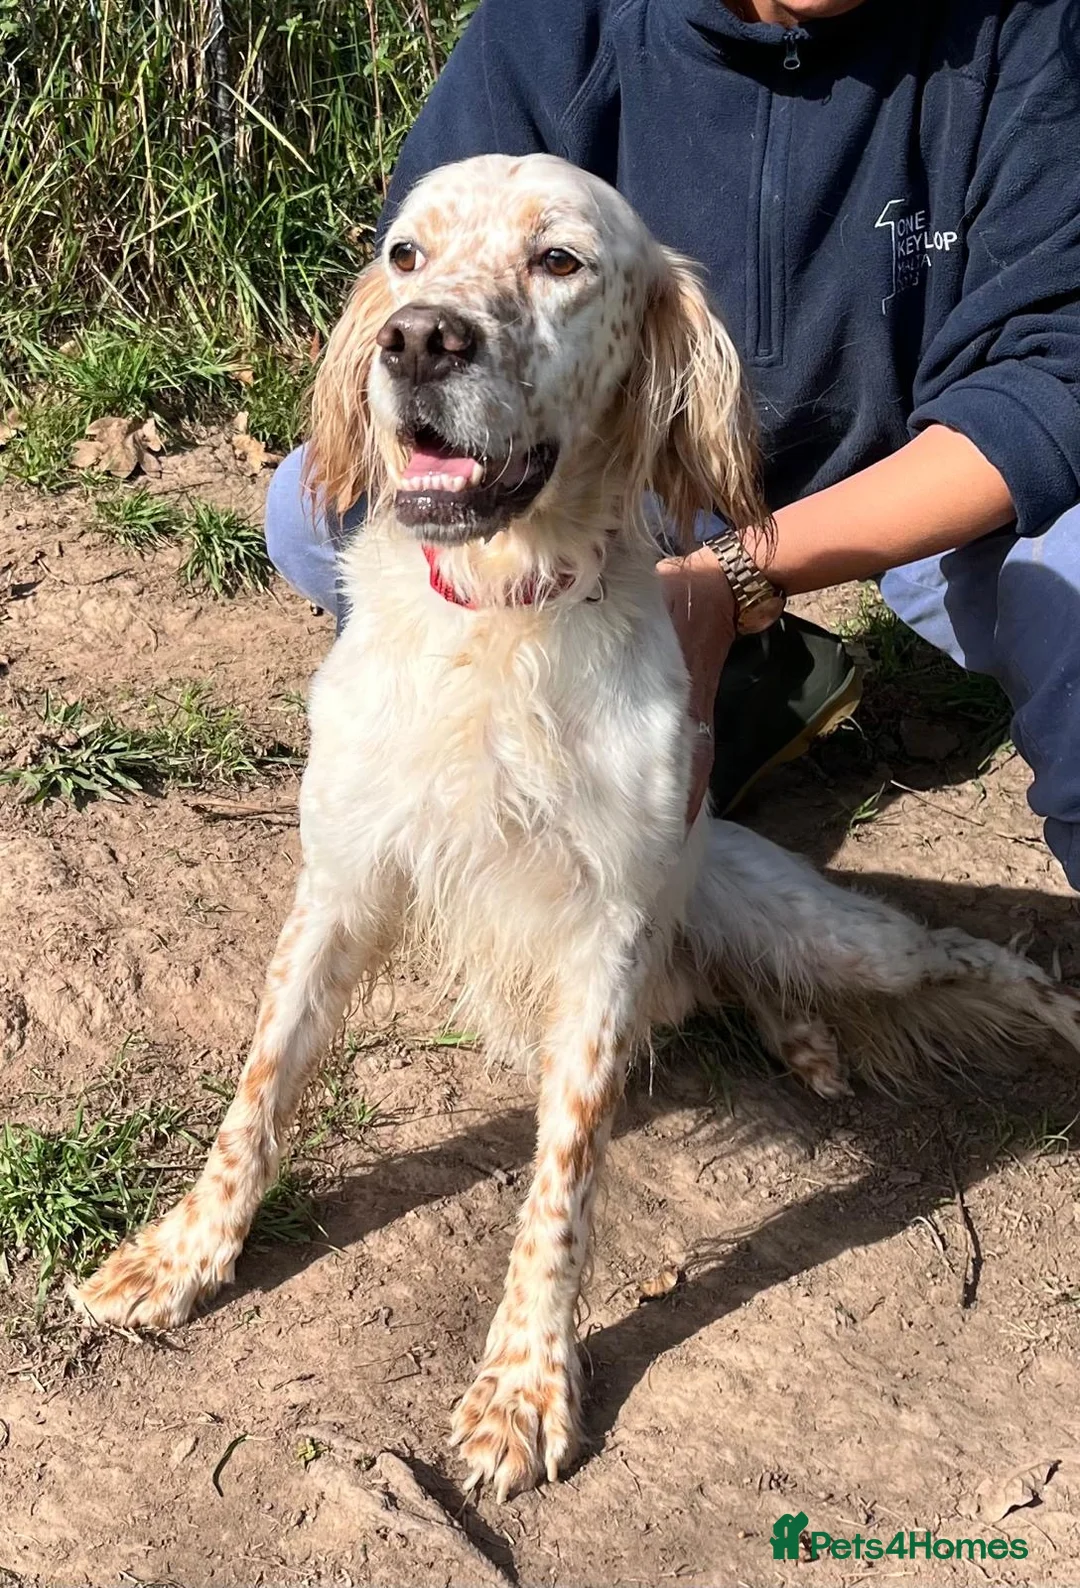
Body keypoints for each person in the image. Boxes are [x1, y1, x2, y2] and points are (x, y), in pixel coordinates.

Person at [266, 0, 1080, 889]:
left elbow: (1051, 377)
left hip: (917, 492)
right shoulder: (548, 30)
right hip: (622, 483)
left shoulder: (1029, 31)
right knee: (311, 508)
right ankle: (738, 689)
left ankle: (705, 649)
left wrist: (730, 581)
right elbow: (418, 287)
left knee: (1072, 576)